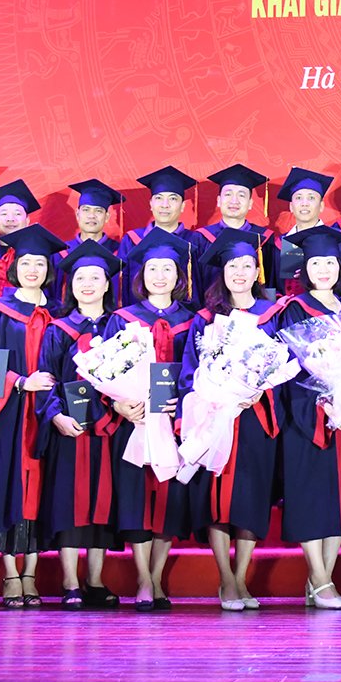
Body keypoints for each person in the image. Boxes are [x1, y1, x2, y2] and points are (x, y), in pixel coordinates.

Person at [272, 225, 341, 609]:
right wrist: (322, 400)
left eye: (330, 262)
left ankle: (321, 582)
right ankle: (321, 578)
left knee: (337, 499)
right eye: (316, 263)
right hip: (306, 417)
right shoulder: (292, 309)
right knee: (311, 498)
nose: (324, 270)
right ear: (305, 269)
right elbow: (287, 367)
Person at [192, 230, 287, 612]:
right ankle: (226, 580)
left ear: (257, 271)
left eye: (247, 266)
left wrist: (260, 393)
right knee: (216, 500)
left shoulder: (272, 314)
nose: (240, 273)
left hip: (255, 417)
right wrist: (212, 396)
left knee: (251, 499)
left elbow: (284, 365)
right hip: (216, 417)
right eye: (233, 266)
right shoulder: (205, 318)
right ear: (223, 271)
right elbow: (190, 370)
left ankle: (242, 576)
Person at [0, 224, 68, 608]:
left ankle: (32, 573)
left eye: (40, 263)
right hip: (10, 415)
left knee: (42, 490)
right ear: (14, 267)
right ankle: (11, 574)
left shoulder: (60, 312)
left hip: (48, 416)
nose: (33, 270)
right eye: (26, 263)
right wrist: (20, 382)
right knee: (9, 486)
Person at [109, 227, 200, 610]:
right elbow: (108, 370)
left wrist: (188, 405)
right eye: (152, 269)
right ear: (141, 275)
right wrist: (119, 404)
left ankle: (157, 576)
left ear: (179, 275)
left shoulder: (193, 321)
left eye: (167, 269)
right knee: (136, 499)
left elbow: (200, 372)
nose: (159, 276)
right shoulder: (122, 319)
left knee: (169, 500)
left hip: (175, 423)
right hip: (136, 422)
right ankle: (143, 579)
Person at [38, 241, 124, 609]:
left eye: (95, 278)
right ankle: (70, 580)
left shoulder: (121, 327)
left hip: (110, 426)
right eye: (80, 278)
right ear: (70, 285)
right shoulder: (58, 329)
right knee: (69, 501)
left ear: (107, 284)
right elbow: (46, 377)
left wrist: (122, 407)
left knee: (104, 500)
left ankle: (95, 579)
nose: (87, 284)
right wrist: (56, 415)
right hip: (70, 427)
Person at [122, 166, 205, 307]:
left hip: (186, 318)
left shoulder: (196, 240)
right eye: (159, 198)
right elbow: (123, 287)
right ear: (151, 204)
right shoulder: (132, 240)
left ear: (183, 206)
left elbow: (204, 285)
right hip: (138, 318)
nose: (165, 205)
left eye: (172, 199)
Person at [199, 164, 276, 289]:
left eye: (241, 195)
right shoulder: (201, 238)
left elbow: (270, 283)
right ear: (218, 201)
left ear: (250, 203)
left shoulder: (264, 239)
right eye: (228, 194)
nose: (234, 201)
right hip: (209, 301)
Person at [272, 166, 340, 296]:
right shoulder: (279, 244)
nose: (304, 203)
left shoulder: (338, 241)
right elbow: (273, 285)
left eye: (311, 198)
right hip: (288, 307)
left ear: (321, 206)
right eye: (298, 198)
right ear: (291, 206)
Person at [0, 179, 41, 301]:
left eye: (17, 214)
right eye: (4, 214)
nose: (10, 219)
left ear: (27, 221)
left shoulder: (39, 255)